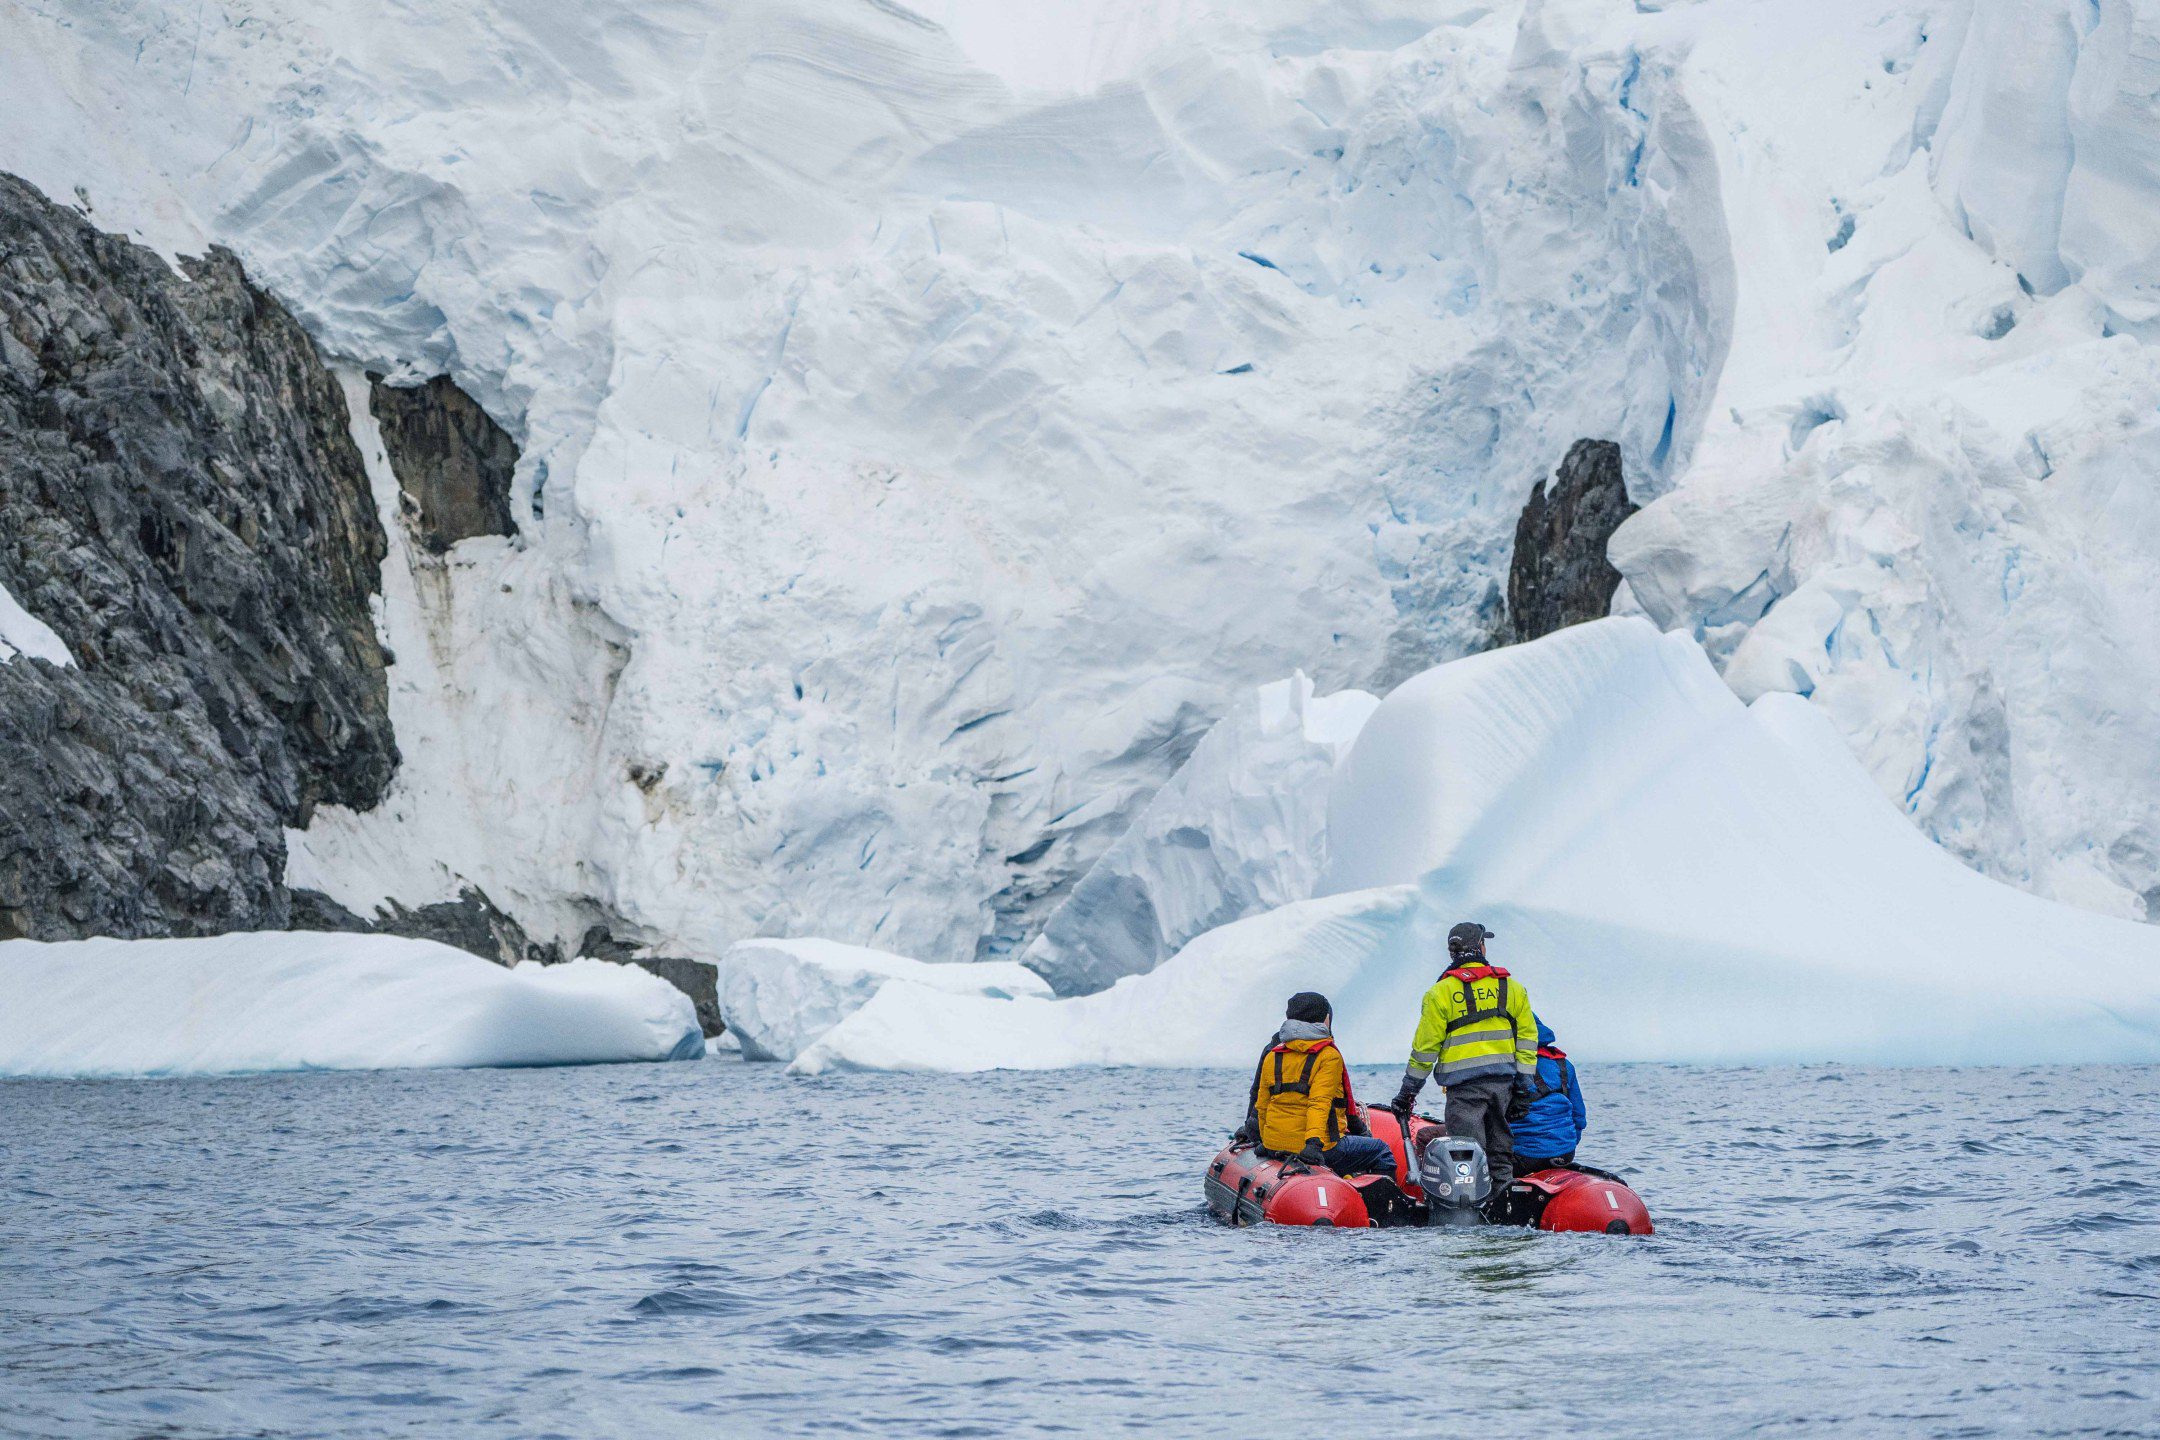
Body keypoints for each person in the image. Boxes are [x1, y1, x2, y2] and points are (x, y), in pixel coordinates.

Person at [1388, 921, 1537, 1193]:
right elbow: (1527, 1040)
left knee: (1466, 1156)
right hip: (1503, 1087)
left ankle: (1466, 1207)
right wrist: (1525, 1087)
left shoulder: (1440, 993)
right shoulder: (1512, 988)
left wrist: (1407, 1093)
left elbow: (1425, 1050)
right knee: (1500, 1152)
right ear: (1481, 947)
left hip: (1464, 1091)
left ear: (1452, 952)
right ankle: (1504, 1202)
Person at [1235, 992, 1396, 1176]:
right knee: (1381, 1151)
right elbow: (1319, 1104)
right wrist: (1313, 1144)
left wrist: (1266, 1142)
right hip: (1315, 1145)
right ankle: (1370, 1195)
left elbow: (1262, 1104)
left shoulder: (1273, 1055)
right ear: (1323, 1018)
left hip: (1273, 1144)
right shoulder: (1328, 1056)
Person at [1510, 1017, 1588, 1172]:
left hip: (1524, 1156)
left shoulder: (1507, 1066)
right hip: (1566, 1153)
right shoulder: (1565, 1064)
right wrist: (1563, 1145)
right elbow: (1579, 1116)